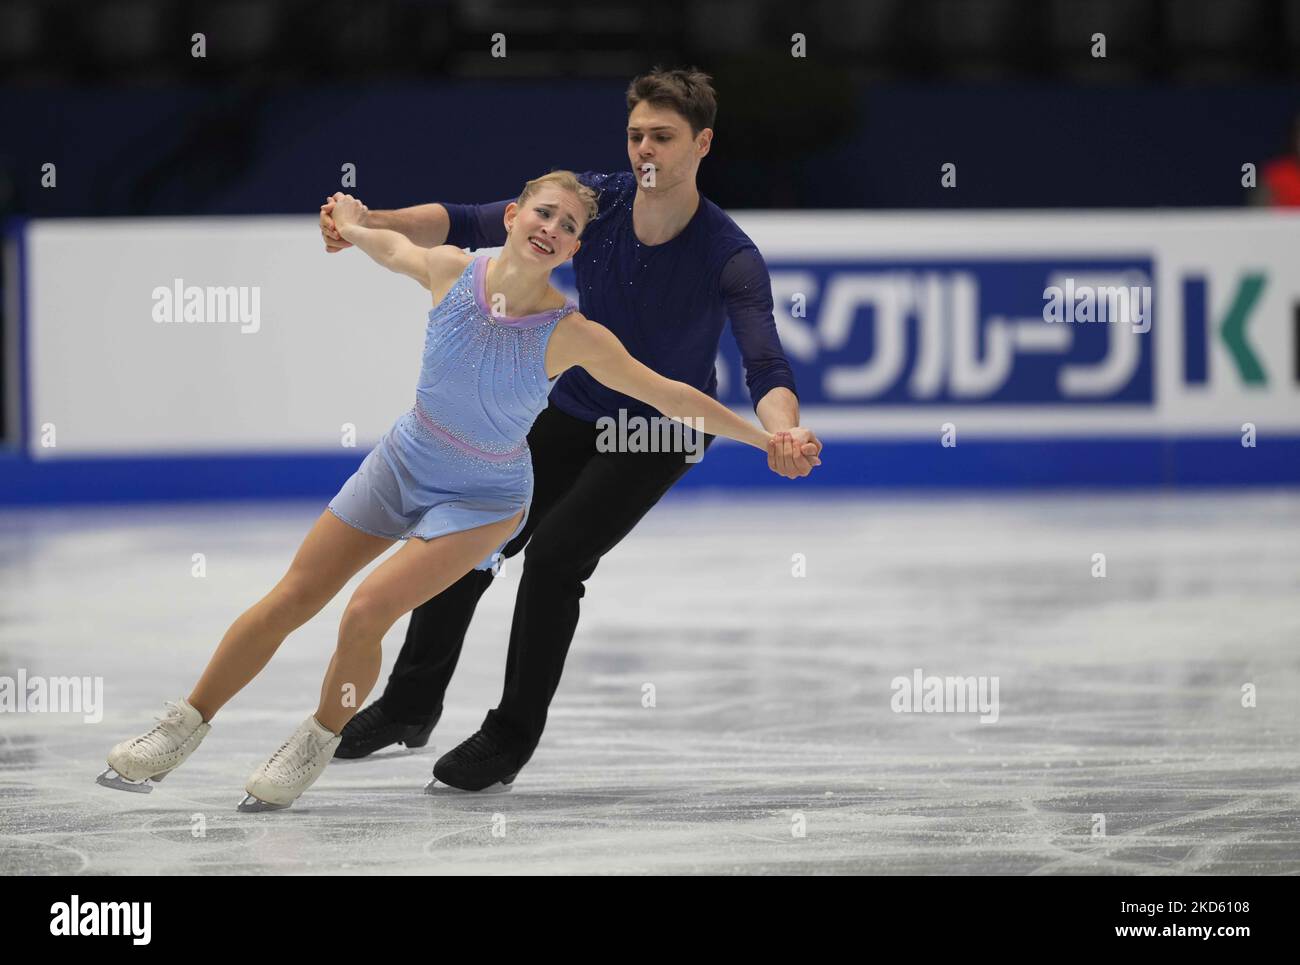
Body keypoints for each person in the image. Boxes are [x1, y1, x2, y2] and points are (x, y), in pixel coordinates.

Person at [96, 171, 799, 811]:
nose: (551, 227)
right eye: (543, 211)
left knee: (366, 610)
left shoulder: (573, 335)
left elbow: (672, 395)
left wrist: (767, 437)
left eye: (569, 226)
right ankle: (184, 724)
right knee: (294, 595)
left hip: (485, 497)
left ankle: (316, 737)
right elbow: (381, 243)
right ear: (515, 213)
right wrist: (350, 218)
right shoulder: (449, 270)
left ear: (573, 248)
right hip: (405, 458)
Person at [318, 67, 823, 792]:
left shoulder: (728, 253)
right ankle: (408, 701)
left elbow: (764, 361)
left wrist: (784, 433)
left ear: (702, 143)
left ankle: (509, 736)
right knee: (474, 527)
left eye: (664, 137)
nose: (645, 149)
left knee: (555, 558)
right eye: (636, 134)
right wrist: (367, 223)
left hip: (662, 426)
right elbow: (465, 219)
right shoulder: (599, 203)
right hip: (578, 404)